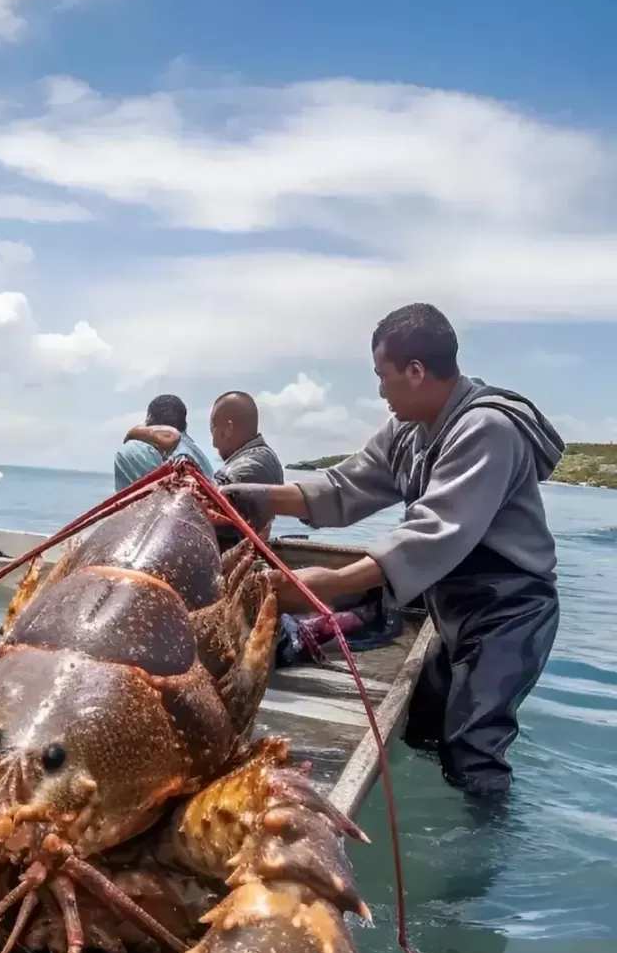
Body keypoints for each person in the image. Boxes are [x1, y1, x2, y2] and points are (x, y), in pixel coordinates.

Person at [222, 302, 562, 800]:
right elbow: (344, 487)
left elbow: (431, 535)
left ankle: (482, 861)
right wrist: (250, 498)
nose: (380, 390)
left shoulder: (487, 430)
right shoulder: (408, 430)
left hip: (509, 613)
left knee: (473, 750)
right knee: (424, 730)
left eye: (383, 376)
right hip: (451, 610)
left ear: (416, 372)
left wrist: (326, 582)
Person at [208, 390, 285, 543]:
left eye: (214, 430)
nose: (214, 443)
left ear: (228, 429)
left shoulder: (244, 469)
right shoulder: (266, 457)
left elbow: (209, 500)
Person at [114, 394, 215, 491]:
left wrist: (132, 434)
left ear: (150, 419)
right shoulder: (202, 460)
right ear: (185, 425)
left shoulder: (132, 450)